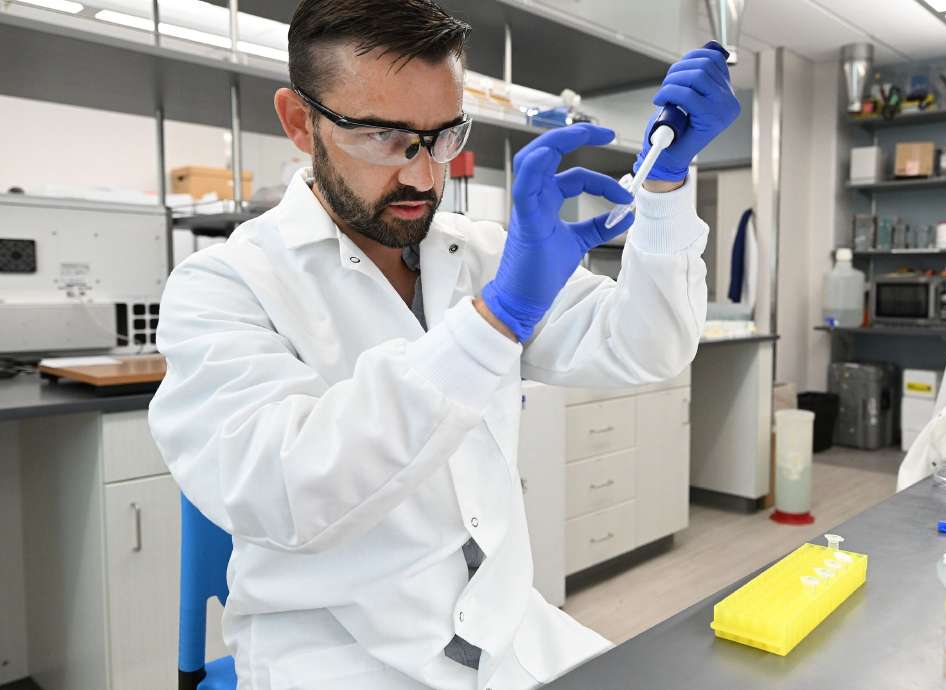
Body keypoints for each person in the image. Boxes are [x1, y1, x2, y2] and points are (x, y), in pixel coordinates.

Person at [147, 0, 740, 688]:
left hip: (507, 631)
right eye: (381, 136)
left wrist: (664, 188)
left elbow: (647, 347)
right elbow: (285, 491)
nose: (425, 177)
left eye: (443, 135)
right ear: (299, 121)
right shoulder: (224, 285)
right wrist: (494, 321)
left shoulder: (476, 252)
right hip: (339, 657)